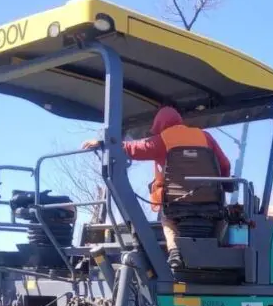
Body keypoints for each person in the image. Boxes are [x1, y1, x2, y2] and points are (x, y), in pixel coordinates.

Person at [82, 105, 231, 271]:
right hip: (209, 201)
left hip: (176, 203)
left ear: (160, 125)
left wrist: (103, 144)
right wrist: (224, 185)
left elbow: (132, 148)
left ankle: (174, 251)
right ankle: (217, 251)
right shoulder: (205, 136)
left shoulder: (163, 139)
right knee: (222, 217)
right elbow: (225, 163)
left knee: (167, 218)